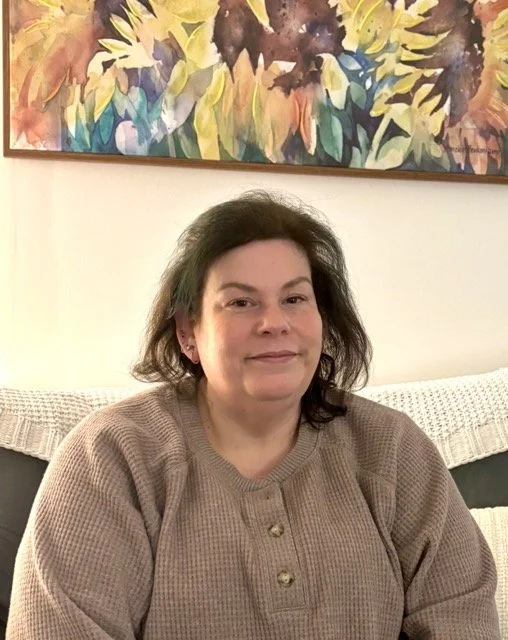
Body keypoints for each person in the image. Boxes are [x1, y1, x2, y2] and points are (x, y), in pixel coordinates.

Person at [7, 191, 500, 639]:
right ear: (188, 332)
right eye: (241, 302)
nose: (274, 323)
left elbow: (462, 618)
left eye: (294, 299)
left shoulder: (392, 447)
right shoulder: (108, 458)